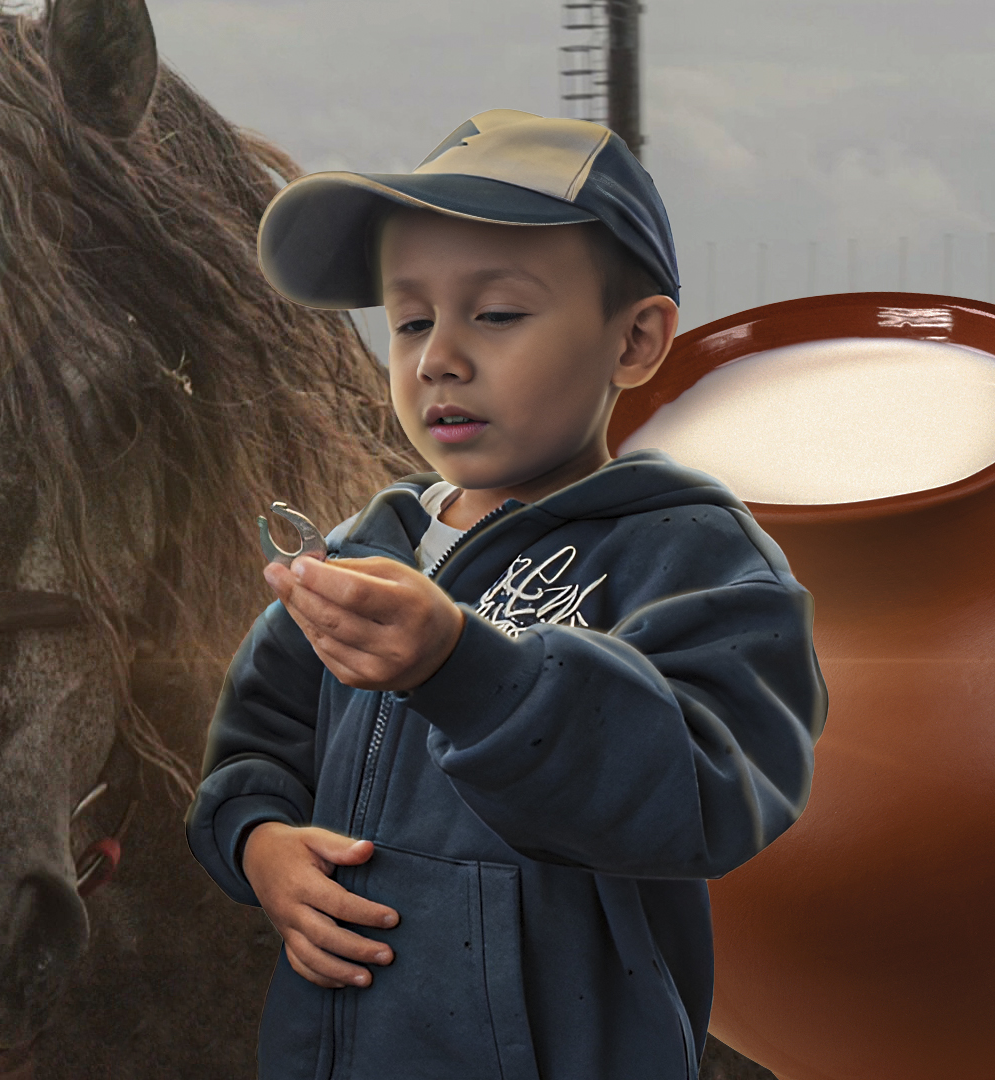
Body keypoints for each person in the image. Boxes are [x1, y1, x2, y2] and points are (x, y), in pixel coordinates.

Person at [184, 110, 826, 1079]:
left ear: (636, 340)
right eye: (409, 321)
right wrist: (260, 841)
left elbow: (712, 800)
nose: (438, 355)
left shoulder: (688, 554)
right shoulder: (371, 548)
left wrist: (465, 668)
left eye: (495, 314)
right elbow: (257, 744)